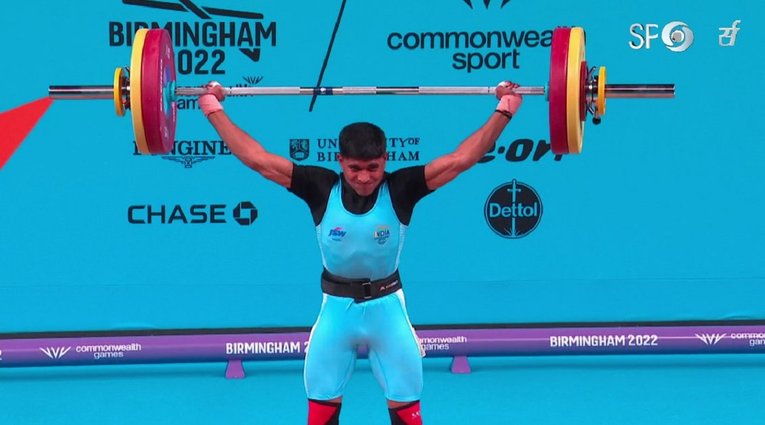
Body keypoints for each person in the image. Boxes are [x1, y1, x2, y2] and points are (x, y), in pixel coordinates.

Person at [198, 81, 522, 425]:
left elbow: (461, 159)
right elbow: (257, 160)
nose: (364, 178)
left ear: (386, 160)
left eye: (373, 168)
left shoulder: (402, 188)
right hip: (336, 313)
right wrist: (212, 108)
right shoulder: (320, 187)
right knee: (320, 412)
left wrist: (504, 110)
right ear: (340, 161)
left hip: (388, 311)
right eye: (354, 168)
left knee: (408, 412)